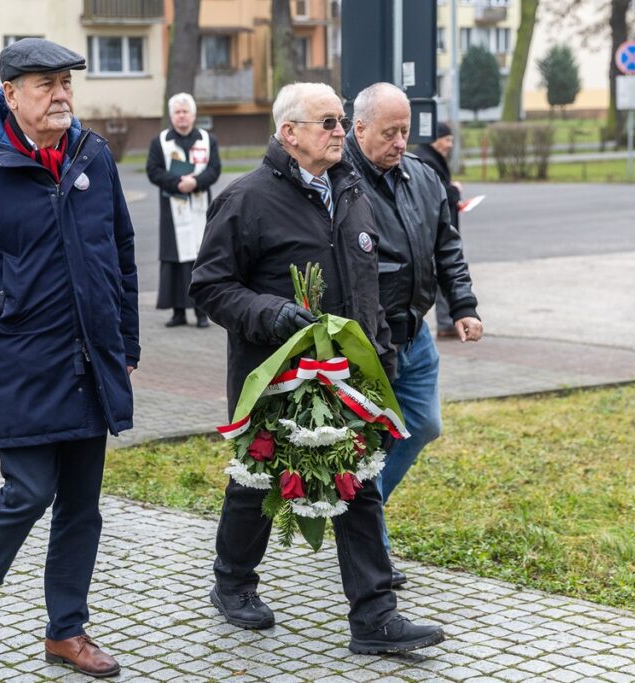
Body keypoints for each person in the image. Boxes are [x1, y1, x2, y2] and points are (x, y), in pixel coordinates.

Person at [190, 82, 445, 655]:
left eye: (341, 121)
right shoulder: (246, 200)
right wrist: (272, 313)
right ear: (289, 133)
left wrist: (379, 359)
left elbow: (366, 287)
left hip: (347, 377)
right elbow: (210, 287)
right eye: (327, 122)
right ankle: (232, 582)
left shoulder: (350, 191)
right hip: (275, 378)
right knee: (257, 483)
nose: (339, 132)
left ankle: (375, 617)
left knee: (359, 486)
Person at [0, 38, 139, 677]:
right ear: (11, 94)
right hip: (17, 364)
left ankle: (66, 631)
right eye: (47, 84)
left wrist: (124, 341)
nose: (62, 95)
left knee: (82, 506)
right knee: (30, 489)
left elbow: (121, 253)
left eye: (67, 82)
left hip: (89, 361)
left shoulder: (93, 155)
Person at [343, 83, 482, 587]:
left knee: (423, 423)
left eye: (405, 131)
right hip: (366, 339)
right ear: (359, 128)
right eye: (389, 133)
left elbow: (447, 247)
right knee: (367, 441)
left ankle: (361, 513)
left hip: (415, 331)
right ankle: (370, 545)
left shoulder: (422, 176)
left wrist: (462, 306)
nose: (400, 142)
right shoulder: (338, 181)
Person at [147, 93, 221, 328]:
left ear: (193, 115)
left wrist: (196, 182)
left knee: (200, 258)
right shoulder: (160, 142)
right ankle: (178, 312)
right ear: (171, 116)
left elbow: (214, 169)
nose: (181, 116)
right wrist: (177, 183)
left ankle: (201, 314)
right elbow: (153, 170)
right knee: (174, 259)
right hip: (173, 210)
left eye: (185, 112)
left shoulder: (207, 140)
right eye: (177, 112)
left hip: (200, 209)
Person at [413, 122, 463, 339]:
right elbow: (436, 194)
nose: (450, 145)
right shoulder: (427, 160)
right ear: (435, 139)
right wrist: (454, 190)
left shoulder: (428, 157)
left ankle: (447, 322)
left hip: (433, 230)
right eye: (447, 139)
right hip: (432, 232)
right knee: (443, 272)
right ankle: (446, 323)